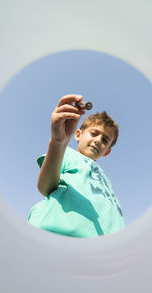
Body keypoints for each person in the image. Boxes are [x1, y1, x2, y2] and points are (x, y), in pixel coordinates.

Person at [28, 94, 125, 237]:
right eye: (94, 133)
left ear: (107, 152)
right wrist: (58, 143)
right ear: (78, 134)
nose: (98, 140)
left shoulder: (105, 179)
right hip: (57, 236)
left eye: (105, 140)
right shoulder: (66, 153)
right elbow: (45, 186)